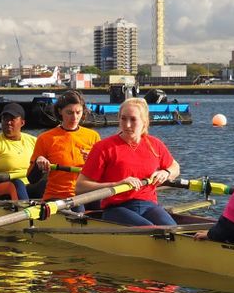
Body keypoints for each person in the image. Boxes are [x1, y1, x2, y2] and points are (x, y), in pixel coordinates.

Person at [76, 97, 180, 226]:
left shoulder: (154, 144)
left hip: (149, 205)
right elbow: (80, 186)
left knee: (173, 229)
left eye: (133, 119)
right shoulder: (103, 148)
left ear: (144, 121)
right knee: (150, 230)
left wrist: (166, 172)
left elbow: (175, 167)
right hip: (116, 208)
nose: (127, 125)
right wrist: (117, 184)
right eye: (123, 118)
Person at [29, 90, 100, 202]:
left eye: (78, 112)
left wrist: (95, 162)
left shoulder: (93, 136)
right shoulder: (45, 138)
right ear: (60, 111)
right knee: (78, 207)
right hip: (58, 196)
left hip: (87, 193)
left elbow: (103, 173)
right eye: (69, 113)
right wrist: (39, 161)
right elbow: (31, 178)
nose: (75, 117)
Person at [0, 102, 39, 200]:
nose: (8, 122)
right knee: (16, 184)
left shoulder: (34, 141)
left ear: (22, 123)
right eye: (5, 118)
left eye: (12, 119)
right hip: (4, 188)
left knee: (45, 184)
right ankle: (25, 212)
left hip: (28, 186)